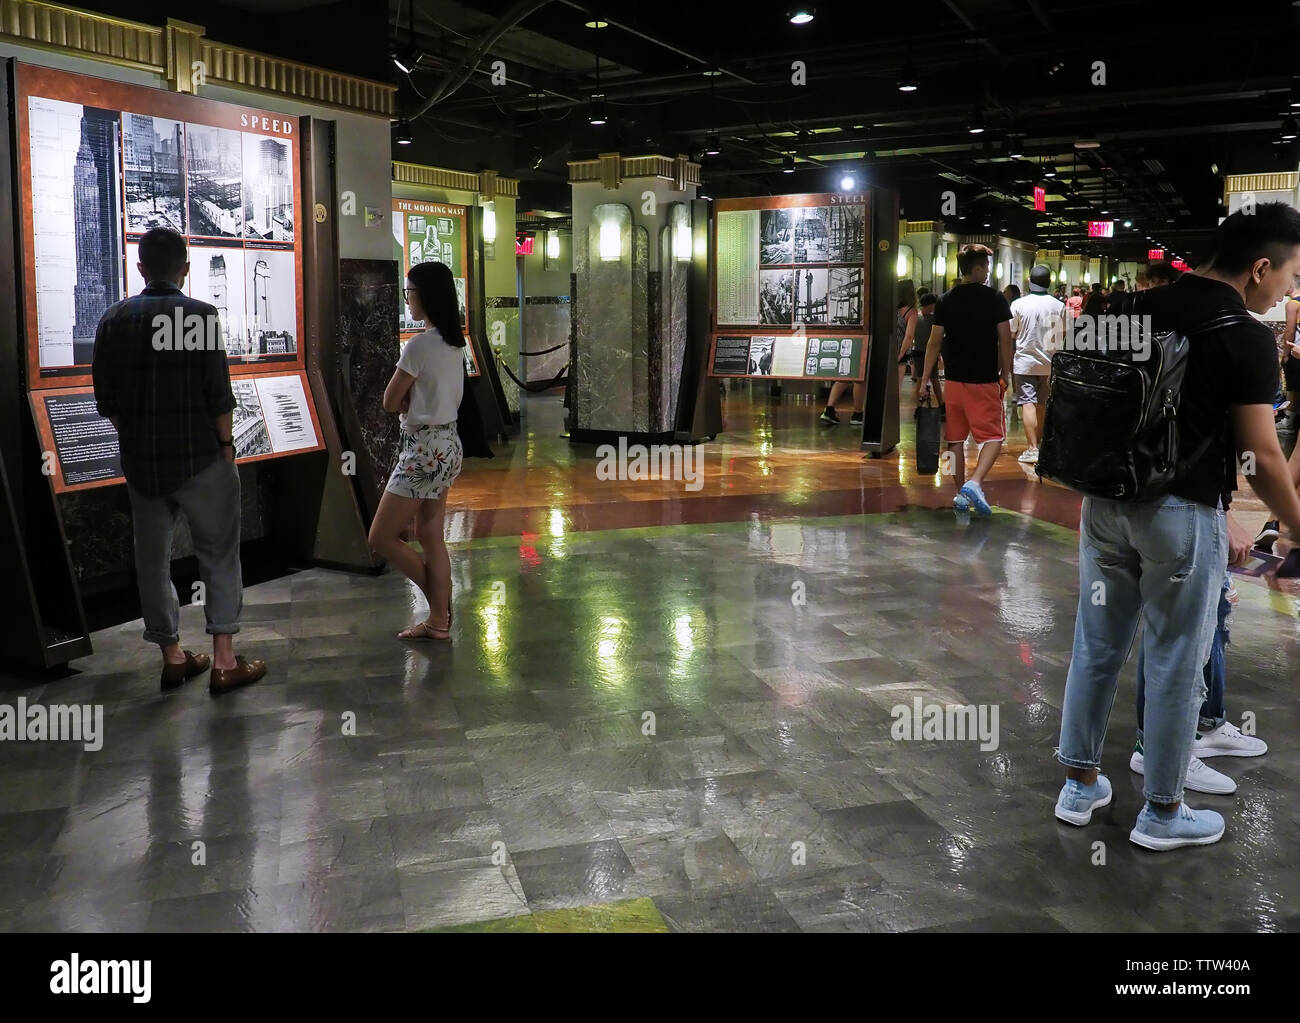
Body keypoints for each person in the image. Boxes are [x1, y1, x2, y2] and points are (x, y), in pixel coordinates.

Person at [1054, 202, 1300, 851]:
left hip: (1104, 505)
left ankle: (1080, 783)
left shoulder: (1136, 308)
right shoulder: (1243, 334)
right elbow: (1260, 455)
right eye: (1290, 277)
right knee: (1173, 658)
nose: (1288, 291)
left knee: (1097, 644)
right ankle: (1162, 811)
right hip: (1180, 515)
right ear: (1260, 267)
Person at [91, 227, 266, 695]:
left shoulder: (113, 321)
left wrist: (136, 437)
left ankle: (172, 656)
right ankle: (225, 661)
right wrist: (227, 449)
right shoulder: (202, 317)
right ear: (186, 269)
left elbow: (106, 401)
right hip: (201, 459)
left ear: (141, 268)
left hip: (143, 464)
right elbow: (218, 396)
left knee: (151, 560)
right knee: (220, 555)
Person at [368, 261, 467, 641]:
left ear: (425, 295)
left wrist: (407, 399)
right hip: (447, 445)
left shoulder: (419, 344)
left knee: (381, 536)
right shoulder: (452, 341)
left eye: (409, 292)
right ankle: (439, 620)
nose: (407, 300)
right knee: (430, 536)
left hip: (423, 450)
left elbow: (390, 400)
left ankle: (439, 607)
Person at [915, 245, 1012, 515]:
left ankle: (960, 494)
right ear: (978, 268)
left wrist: (924, 379)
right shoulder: (995, 298)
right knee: (994, 437)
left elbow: (934, 342)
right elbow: (1005, 338)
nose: (989, 272)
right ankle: (975, 482)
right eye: (987, 267)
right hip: (983, 380)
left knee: (954, 441)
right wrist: (1006, 373)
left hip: (954, 382)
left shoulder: (946, 299)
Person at [828, 280, 917, 427]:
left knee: (879, 383)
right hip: (899, 352)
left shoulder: (889, 308)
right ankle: (889, 414)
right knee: (895, 386)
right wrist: (901, 354)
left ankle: (873, 412)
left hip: (884, 348)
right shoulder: (911, 311)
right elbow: (909, 336)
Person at [1008, 265, 1064, 465]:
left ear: (1029, 281)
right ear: (1049, 282)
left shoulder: (1018, 304)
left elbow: (1011, 333)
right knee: (1041, 404)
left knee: (1027, 402)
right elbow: (1062, 334)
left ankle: (1032, 448)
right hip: (1049, 362)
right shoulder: (1059, 306)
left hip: (1025, 362)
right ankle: (1038, 445)